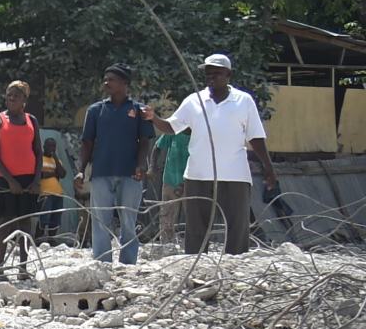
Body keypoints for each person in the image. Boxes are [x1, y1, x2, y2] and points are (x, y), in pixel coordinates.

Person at [152, 53, 278, 257]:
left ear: (228, 74)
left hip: (234, 175)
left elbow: (255, 137)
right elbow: (172, 127)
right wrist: (153, 118)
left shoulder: (243, 101)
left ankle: (235, 265)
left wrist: (269, 169)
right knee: (196, 228)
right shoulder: (195, 100)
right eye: (208, 74)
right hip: (198, 174)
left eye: (217, 73)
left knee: (237, 225)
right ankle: (197, 264)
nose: (211, 77)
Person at [77, 64, 156, 265]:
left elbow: (145, 141)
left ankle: (128, 263)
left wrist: (141, 166)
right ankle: (102, 262)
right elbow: (87, 143)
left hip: (130, 174)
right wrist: (80, 171)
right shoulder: (95, 110)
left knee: (128, 221)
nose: (106, 83)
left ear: (124, 83)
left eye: (111, 79)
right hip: (101, 172)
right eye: (105, 78)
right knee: (100, 220)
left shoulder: (138, 110)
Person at [0, 81, 45, 273]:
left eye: (16, 96)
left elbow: (38, 151)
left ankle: (23, 268)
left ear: (24, 100)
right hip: (6, 180)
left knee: (25, 225)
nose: (11, 98)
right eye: (9, 94)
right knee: (4, 223)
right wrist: (10, 180)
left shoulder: (31, 121)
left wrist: (37, 181)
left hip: (28, 180)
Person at [154, 100, 192, 246]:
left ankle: (193, 245)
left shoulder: (200, 135)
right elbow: (157, 147)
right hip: (170, 179)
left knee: (193, 216)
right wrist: (152, 167)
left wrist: (184, 184)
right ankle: (166, 245)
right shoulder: (173, 132)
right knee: (167, 216)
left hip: (191, 182)